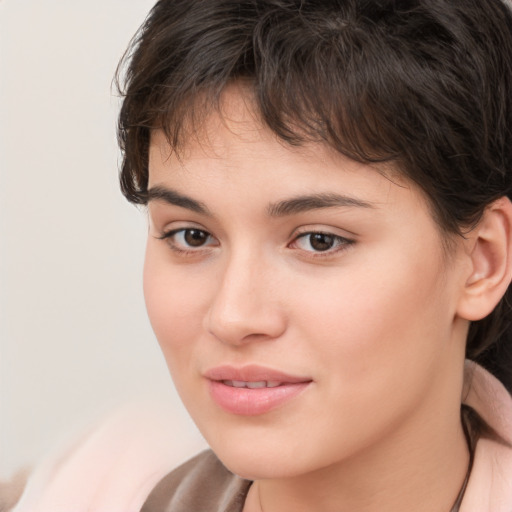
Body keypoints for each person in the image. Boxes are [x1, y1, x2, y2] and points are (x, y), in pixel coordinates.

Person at [7, 0, 512, 511]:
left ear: (482, 262)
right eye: (192, 236)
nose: (233, 317)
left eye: (319, 240)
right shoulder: (87, 489)